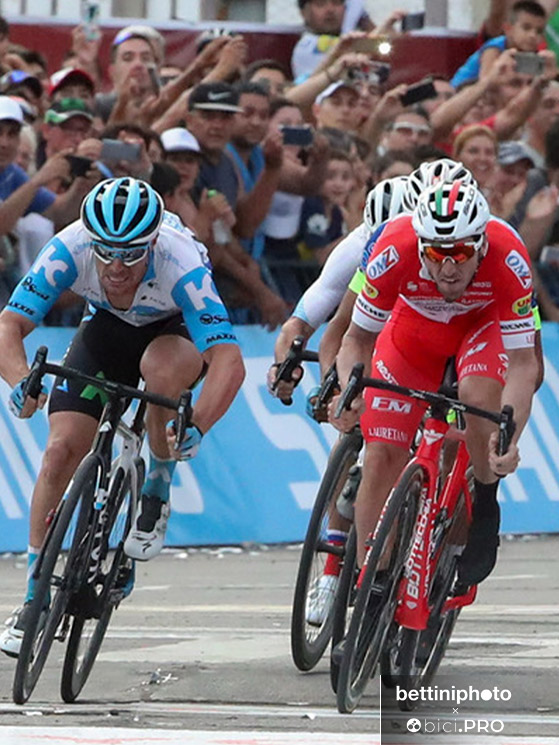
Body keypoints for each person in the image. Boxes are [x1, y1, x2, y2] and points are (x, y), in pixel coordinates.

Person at [0, 177, 245, 656]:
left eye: (131, 255)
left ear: (152, 244)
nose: (116, 267)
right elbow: (10, 323)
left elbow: (228, 361)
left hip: (174, 330)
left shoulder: (181, 263)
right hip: (106, 329)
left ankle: (157, 482)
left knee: (160, 372)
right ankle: (33, 596)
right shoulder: (69, 247)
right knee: (59, 452)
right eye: (106, 253)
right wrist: (20, 380)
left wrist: (198, 424)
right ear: (90, 240)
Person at [328, 180, 538, 593]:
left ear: (481, 245)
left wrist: (508, 437)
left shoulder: (509, 256)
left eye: (460, 253)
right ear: (421, 246)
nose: (448, 267)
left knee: (477, 397)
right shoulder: (394, 248)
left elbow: (523, 364)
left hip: (481, 327)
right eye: (437, 254)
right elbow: (356, 339)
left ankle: (485, 500)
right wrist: (351, 391)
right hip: (414, 334)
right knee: (381, 455)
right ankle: (374, 580)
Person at [451, 0, 548, 88]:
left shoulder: (535, 55)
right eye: (526, 28)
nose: (533, 35)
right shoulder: (494, 48)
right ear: (508, 29)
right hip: (460, 92)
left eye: (539, 31)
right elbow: (485, 82)